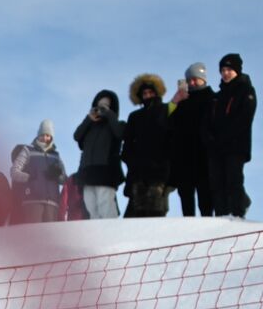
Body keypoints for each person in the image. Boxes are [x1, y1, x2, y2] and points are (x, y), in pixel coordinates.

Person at [206, 52, 257, 218]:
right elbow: (207, 122)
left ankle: (238, 213)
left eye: (229, 69)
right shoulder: (217, 96)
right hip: (216, 147)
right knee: (217, 183)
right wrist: (210, 138)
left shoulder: (246, 90)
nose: (226, 73)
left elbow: (245, 117)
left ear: (237, 70)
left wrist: (227, 136)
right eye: (223, 70)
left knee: (234, 180)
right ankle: (221, 215)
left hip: (236, 146)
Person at [121, 74, 173, 218]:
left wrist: (165, 162)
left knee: (156, 213)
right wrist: (132, 162)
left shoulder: (165, 110)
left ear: (156, 93)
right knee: (133, 215)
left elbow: (171, 139)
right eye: (144, 93)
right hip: (138, 172)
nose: (148, 95)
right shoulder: (134, 116)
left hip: (159, 171)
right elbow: (127, 144)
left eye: (151, 92)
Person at [168, 63, 216, 216]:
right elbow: (166, 121)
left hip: (204, 155)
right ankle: (188, 229)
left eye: (196, 79)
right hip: (183, 157)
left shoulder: (213, 98)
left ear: (204, 79)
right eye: (190, 80)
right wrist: (175, 101)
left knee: (206, 198)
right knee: (186, 198)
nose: (192, 83)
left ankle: (208, 229)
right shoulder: (181, 100)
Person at [72, 90, 125, 219]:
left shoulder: (117, 124)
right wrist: (89, 119)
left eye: (105, 105)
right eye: (99, 105)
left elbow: (120, 133)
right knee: (90, 206)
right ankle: (97, 236)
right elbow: (77, 136)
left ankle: (113, 234)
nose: (101, 108)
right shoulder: (90, 126)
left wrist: (109, 114)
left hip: (106, 171)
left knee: (105, 205)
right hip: (88, 171)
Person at [10, 120, 67, 223]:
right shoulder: (28, 151)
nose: (45, 138)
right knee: (33, 236)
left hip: (52, 204)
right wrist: (28, 177)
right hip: (32, 201)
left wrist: (57, 175)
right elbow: (14, 172)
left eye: (48, 135)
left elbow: (64, 180)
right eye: (42, 135)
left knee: (50, 237)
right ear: (38, 135)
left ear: (51, 137)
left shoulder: (56, 156)